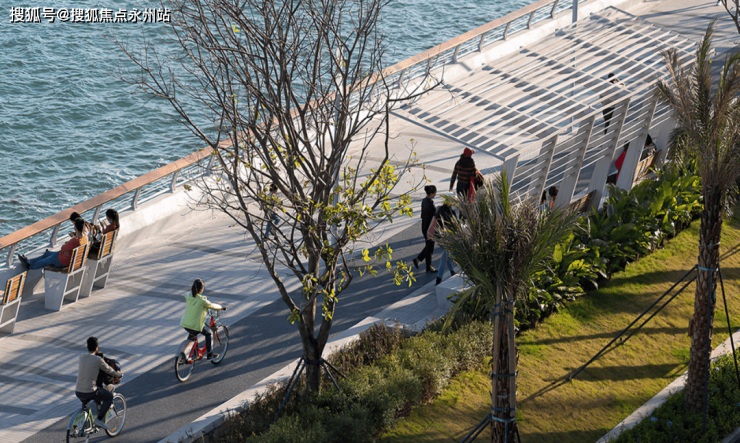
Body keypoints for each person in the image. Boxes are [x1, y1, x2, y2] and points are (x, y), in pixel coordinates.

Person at [75, 336, 123, 431]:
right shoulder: (98, 359)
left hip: (78, 391)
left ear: (87, 347)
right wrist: (118, 375)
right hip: (91, 391)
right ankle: (99, 420)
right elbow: (109, 370)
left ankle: (84, 423)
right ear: (97, 347)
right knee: (108, 396)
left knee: (85, 401)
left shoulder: (81, 357)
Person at [181, 279, 226, 361]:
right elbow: (211, 305)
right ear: (201, 289)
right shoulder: (202, 300)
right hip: (195, 325)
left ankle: (184, 353)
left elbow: (190, 296)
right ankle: (209, 354)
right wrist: (221, 307)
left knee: (192, 334)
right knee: (209, 333)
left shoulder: (189, 296)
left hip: (185, 323)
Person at [18, 218, 88, 270]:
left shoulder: (75, 240)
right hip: (68, 258)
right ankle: (29, 261)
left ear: (75, 228)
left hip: (63, 260)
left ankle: (30, 266)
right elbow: (67, 248)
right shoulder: (85, 237)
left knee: (46, 260)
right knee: (47, 254)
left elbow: (63, 248)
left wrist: (67, 244)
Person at [413, 185, 438, 274]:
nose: (435, 195)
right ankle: (428, 266)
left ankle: (419, 260)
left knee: (429, 245)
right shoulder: (430, 203)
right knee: (430, 247)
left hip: (425, 227)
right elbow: (432, 216)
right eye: (434, 193)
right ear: (431, 194)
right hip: (429, 228)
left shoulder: (425, 201)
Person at [434, 200, 457, 286]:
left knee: (446, 254)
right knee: (445, 257)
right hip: (447, 236)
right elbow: (454, 225)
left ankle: (451, 272)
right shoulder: (451, 212)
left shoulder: (439, 210)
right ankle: (439, 278)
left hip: (440, 236)